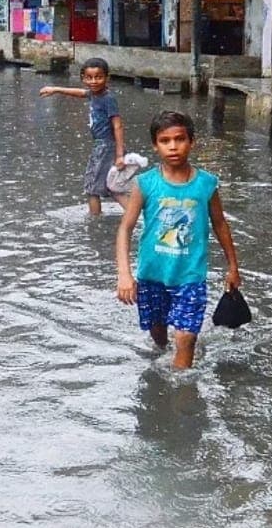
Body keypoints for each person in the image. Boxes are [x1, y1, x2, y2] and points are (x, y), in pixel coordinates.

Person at [115, 110, 242, 369]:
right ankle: (163, 358)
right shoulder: (145, 183)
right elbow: (125, 228)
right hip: (152, 276)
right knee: (159, 334)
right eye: (165, 141)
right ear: (155, 145)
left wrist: (232, 267)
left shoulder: (206, 183)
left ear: (191, 142)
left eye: (180, 139)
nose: (173, 147)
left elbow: (220, 223)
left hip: (191, 276)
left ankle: (181, 397)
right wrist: (124, 274)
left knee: (185, 338)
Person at [39, 57, 128, 215]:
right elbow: (81, 93)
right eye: (89, 77)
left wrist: (119, 154)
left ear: (107, 78)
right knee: (112, 186)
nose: (94, 81)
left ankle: (94, 224)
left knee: (92, 188)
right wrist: (56, 89)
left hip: (106, 146)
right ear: (83, 78)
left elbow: (118, 125)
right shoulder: (94, 94)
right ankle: (136, 215)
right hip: (101, 145)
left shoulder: (108, 98)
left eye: (98, 77)